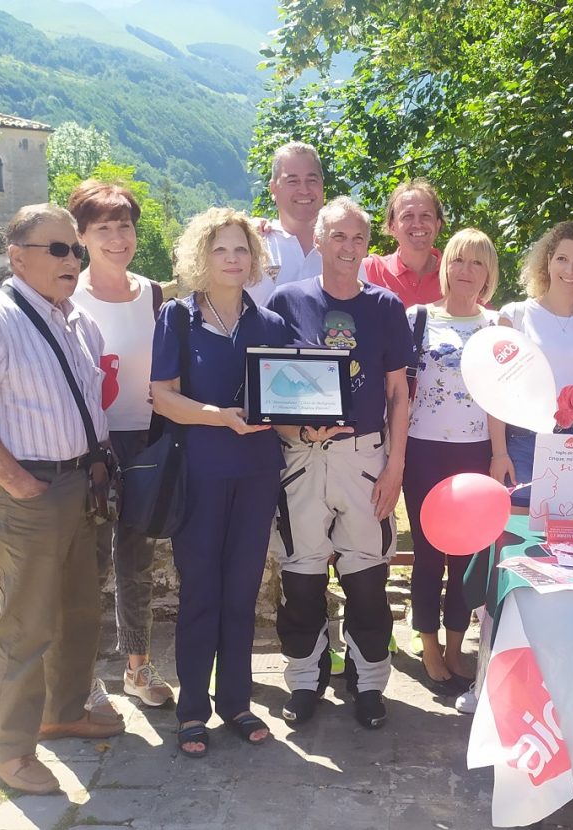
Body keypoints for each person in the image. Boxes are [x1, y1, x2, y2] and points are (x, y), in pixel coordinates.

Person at [0, 204, 121, 795]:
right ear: (16, 255)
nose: (71, 260)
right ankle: (9, 751)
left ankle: (62, 712)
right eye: (56, 249)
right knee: (26, 625)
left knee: (79, 610)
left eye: (74, 250)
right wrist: (17, 483)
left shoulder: (77, 320)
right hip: (30, 489)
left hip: (81, 485)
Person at [266, 196, 413, 730]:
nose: (349, 248)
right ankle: (306, 680)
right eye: (338, 237)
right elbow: (270, 386)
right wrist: (292, 429)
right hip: (303, 458)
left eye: (358, 238)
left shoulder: (385, 307)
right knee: (302, 579)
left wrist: (395, 465)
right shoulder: (287, 301)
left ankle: (368, 682)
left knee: (368, 580)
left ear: (366, 244)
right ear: (321, 241)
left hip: (364, 456)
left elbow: (399, 393)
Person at [150, 208, 288, 758]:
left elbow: (290, 394)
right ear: (201, 257)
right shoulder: (177, 319)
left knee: (242, 591)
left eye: (242, 250)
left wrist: (317, 416)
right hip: (201, 474)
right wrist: (221, 415)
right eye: (221, 249)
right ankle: (191, 711)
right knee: (200, 591)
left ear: (254, 258)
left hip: (257, 474)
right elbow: (162, 396)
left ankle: (236, 702)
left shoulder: (271, 325)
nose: (233, 259)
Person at [68, 180, 175, 710]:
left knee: (136, 563)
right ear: (82, 236)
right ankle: (83, 680)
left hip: (145, 443)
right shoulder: (67, 296)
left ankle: (137, 668)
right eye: (102, 228)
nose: (117, 238)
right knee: (88, 567)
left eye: (124, 225)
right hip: (86, 449)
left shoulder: (154, 295)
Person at [403, 229, 500, 694]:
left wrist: (500, 454)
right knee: (426, 553)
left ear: (489, 273)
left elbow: (499, 399)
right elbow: (397, 392)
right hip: (422, 448)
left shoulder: (498, 327)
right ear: (445, 266)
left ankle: (457, 646)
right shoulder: (417, 319)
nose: (466, 271)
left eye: (477, 263)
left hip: (475, 450)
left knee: (466, 556)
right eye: (459, 261)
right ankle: (428, 647)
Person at [491, 219, 573, 508]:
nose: (569, 269)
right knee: (517, 543)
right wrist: (499, 453)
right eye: (562, 258)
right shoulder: (514, 316)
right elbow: (496, 393)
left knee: (572, 546)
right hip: (523, 444)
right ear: (548, 261)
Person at [245, 141, 328, 306]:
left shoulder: (343, 248)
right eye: (293, 181)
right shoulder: (252, 245)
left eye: (312, 180)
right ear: (274, 188)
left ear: (322, 184)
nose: (304, 190)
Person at [363, 178, 445, 307]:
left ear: (438, 224)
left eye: (426, 215)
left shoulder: (455, 274)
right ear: (392, 227)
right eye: (407, 216)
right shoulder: (370, 270)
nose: (418, 223)